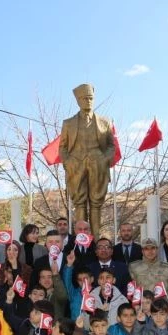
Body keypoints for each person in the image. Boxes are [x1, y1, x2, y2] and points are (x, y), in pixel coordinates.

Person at [59, 83, 116, 237]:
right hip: (76, 165)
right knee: (80, 203)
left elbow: (111, 145)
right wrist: (68, 162)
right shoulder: (68, 123)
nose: (88, 101)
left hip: (98, 164)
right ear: (78, 101)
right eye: (84, 98)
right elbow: (62, 147)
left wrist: (105, 159)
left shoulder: (104, 122)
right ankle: (81, 240)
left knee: (96, 203)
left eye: (90, 98)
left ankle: (96, 240)